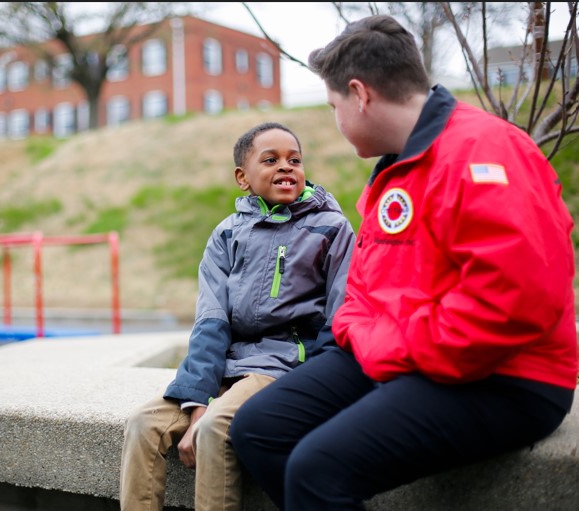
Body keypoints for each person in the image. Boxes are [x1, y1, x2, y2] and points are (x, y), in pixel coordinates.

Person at [229, 14, 578, 511]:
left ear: (360, 94)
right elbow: (365, 293)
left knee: (318, 470)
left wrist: (389, 349)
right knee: (258, 430)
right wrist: (367, 341)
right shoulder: (397, 166)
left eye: (334, 105)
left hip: (507, 376)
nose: (335, 118)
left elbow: (513, 306)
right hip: (404, 353)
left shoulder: (485, 153)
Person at [119, 121, 355, 511]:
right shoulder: (227, 234)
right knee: (144, 423)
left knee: (215, 427)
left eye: (294, 160)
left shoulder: (330, 227)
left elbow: (342, 310)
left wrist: (319, 383)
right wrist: (197, 404)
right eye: (271, 159)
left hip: (281, 362)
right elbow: (211, 322)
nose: (286, 167)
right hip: (231, 362)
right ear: (242, 178)